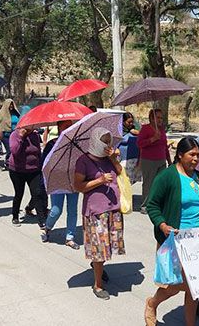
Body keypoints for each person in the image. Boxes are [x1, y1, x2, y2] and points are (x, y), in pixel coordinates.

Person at [145, 137, 199, 326]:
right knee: (173, 286)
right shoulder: (167, 176)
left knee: (195, 286)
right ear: (180, 155)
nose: (196, 159)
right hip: (176, 239)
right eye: (192, 155)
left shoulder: (197, 176)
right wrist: (162, 224)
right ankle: (152, 303)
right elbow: (152, 205)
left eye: (198, 155)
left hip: (198, 241)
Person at [73, 127, 125, 300]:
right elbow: (79, 186)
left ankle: (98, 267)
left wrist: (113, 158)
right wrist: (100, 180)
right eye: (103, 140)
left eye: (108, 140)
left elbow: (120, 172)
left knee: (106, 246)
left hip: (113, 208)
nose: (107, 144)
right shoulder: (83, 160)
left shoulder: (109, 158)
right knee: (100, 249)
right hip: (96, 211)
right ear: (95, 141)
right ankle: (98, 285)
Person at [43, 120, 79, 248]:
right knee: (56, 210)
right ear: (58, 128)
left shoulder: (77, 144)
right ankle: (47, 227)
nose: (69, 129)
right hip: (57, 180)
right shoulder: (52, 144)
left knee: (72, 210)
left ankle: (70, 237)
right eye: (66, 126)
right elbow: (44, 164)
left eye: (71, 126)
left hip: (73, 180)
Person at [8, 125, 48, 227]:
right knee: (19, 193)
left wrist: (41, 165)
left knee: (37, 193)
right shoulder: (15, 135)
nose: (33, 127)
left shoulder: (34, 135)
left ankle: (41, 220)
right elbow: (14, 151)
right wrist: (21, 137)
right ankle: (15, 216)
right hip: (17, 170)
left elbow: (38, 151)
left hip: (33, 169)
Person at [137, 109, 171, 213]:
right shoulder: (145, 129)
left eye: (161, 117)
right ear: (152, 118)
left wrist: (169, 160)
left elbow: (164, 146)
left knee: (161, 183)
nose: (160, 120)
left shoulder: (161, 130)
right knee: (149, 183)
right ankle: (145, 205)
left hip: (161, 160)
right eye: (158, 117)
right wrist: (153, 139)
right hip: (148, 160)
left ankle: (158, 204)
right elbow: (139, 144)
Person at [0, 98, 20, 165]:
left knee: (15, 149)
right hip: (6, 135)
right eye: (10, 105)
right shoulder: (1, 114)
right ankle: (8, 162)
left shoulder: (16, 114)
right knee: (9, 150)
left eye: (12, 105)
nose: (11, 106)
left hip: (15, 135)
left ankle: (13, 162)